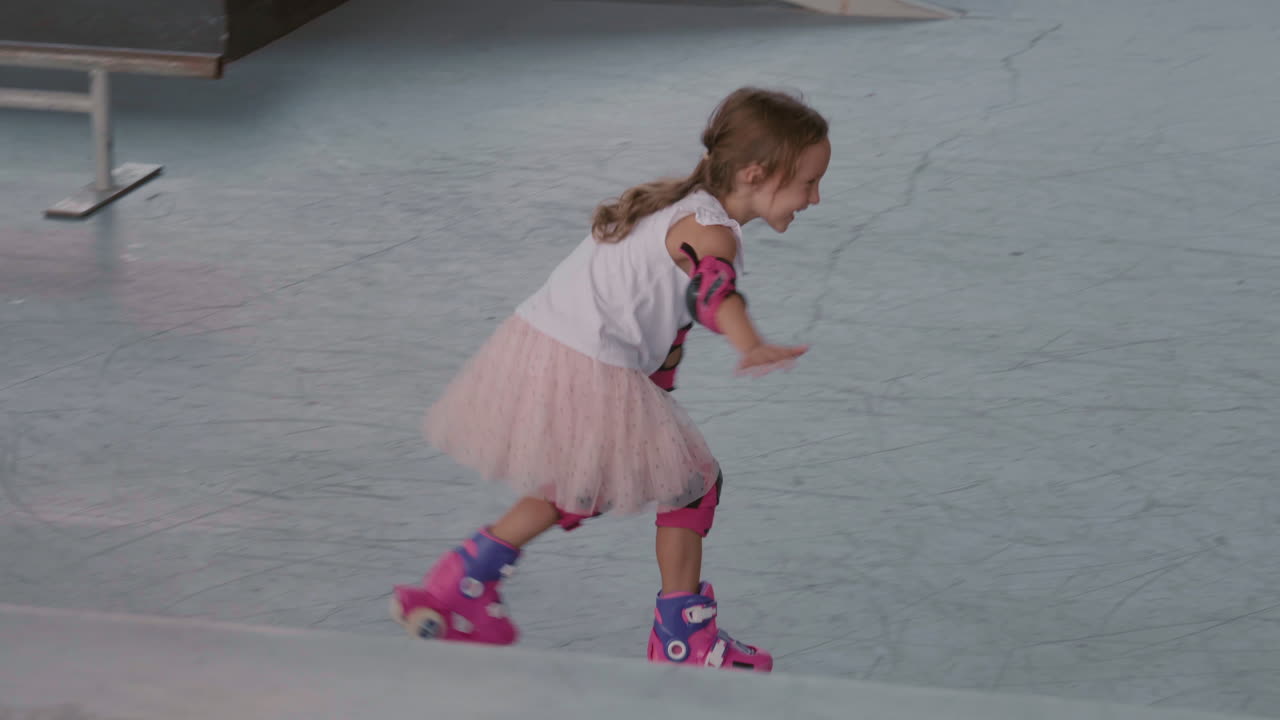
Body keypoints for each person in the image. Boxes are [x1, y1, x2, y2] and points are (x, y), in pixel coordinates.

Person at [391, 87, 831, 672]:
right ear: (757, 173)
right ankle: (682, 641)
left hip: (546, 344)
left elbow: (661, 327)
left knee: (582, 483)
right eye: (808, 182)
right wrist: (749, 342)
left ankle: (458, 587)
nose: (815, 197)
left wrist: (653, 402)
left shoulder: (680, 202)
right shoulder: (710, 230)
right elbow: (711, 290)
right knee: (692, 485)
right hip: (587, 361)